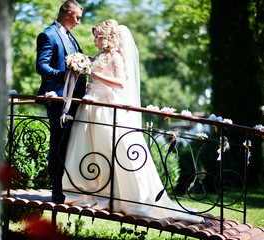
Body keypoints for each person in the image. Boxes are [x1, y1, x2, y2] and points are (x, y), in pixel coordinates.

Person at [62, 20, 204, 223]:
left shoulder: (116, 57)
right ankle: (89, 190)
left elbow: (121, 82)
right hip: (90, 104)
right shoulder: (99, 56)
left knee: (108, 147)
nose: (94, 40)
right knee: (88, 148)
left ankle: (118, 194)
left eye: (97, 37)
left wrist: (94, 73)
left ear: (106, 38)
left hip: (105, 105)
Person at [36, 0, 86, 203]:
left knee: (69, 145)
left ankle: (69, 186)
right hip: (57, 100)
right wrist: (63, 76)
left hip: (75, 100)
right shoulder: (48, 35)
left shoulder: (69, 35)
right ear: (67, 14)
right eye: (77, 18)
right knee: (58, 144)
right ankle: (56, 190)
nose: (78, 23)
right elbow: (41, 66)